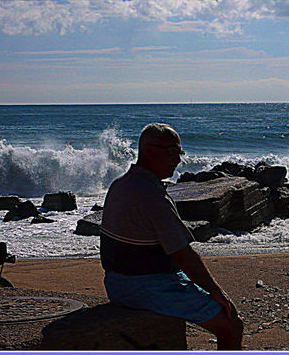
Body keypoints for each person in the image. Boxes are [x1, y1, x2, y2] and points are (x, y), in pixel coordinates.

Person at [99, 123, 243, 350]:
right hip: (145, 286)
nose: (177, 159)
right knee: (231, 324)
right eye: (172, 152)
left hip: (116, 283)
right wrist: (217, 292)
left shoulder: (120, 185)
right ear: (149, 151)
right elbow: (185, 256)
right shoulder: (152, 196)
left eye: (180, 153)